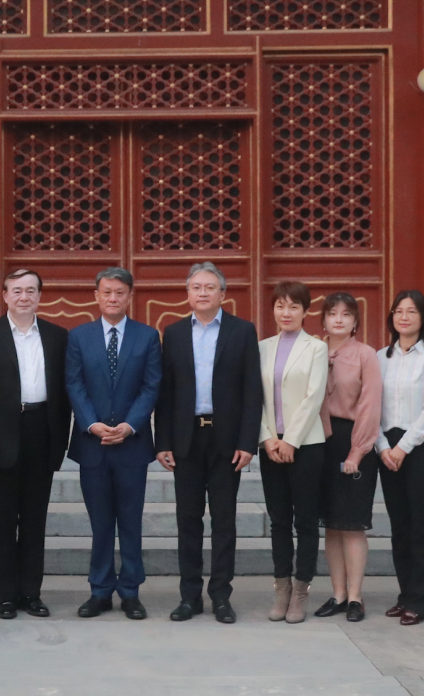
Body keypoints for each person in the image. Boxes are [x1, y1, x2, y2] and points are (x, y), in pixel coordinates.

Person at [156, 263, 262, 624]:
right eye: (196, 287)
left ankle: (220, 596)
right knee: (188, 520)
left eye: (210, 287)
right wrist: (163, 441)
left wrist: (248, 441)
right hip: (186, 439)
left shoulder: (242, 331)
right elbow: (166, 392)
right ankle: (189, 597)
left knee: (224, 521)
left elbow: (252, 390)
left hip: (226, 440)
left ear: (223, 294)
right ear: (187, 293)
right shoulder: (173, 333)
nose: (202, 293)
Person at [0, 269, 71, 619]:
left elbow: (65, 392)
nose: (24, 297)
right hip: (0, 437)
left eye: (30, 291)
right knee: (3, 519)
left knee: (34, 520)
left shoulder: (57, 336)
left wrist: (61, 438)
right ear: (5, 295)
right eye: (17, 291)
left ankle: (31, 593)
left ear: (40, 296)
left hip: (42, 431)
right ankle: (7, 595)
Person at [65, 267, 161, 621]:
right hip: (93, 445)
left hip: (132, 445)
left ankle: (131, 591)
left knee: (131, 522)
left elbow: (151, 386)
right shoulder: (79, 336)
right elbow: (74, 384)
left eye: (120, 292)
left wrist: (130, 426)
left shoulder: (147, 336)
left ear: (130, 296)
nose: (113, 298)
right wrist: (92, 424)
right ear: (96, 296)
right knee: (101, 523)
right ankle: (100, 590)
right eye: (106, 292)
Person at [255, 281, 328, 624]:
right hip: (271, 445)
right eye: (280, 306)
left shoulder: (316, 348)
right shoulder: (262, 348)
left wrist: (291, 440)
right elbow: (254, 397)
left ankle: (301, 590)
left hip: (306, 445)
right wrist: (267, 438)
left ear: (305, 311)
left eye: (294, 306)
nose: (286, 312)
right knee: (279, 520)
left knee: (306, 520)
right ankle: (281, 588)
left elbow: (314, 397)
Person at [376, 290, 424, 626]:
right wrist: (382, 446)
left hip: (420, 445)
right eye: (398, 311)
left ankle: (420, 600)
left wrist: (403, 447)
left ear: (423, 317)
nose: (404, 317)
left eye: (411, 311)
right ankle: (405, 594)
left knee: (420, 523)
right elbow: (372, 406)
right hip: (386, 446)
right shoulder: (380, 357)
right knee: (399, 524)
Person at [313, 293, 382, 624]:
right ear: (324, 319)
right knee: (331, 523)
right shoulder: (313, 350)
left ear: (355, 321)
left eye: (346, 314)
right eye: (332, 313)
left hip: (353, 440)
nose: (338, 319)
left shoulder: (366, 355)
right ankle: (338, 594)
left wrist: (357, 450)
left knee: (352, 524)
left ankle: (355, 596)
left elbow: (370, 405)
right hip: (318, 441)